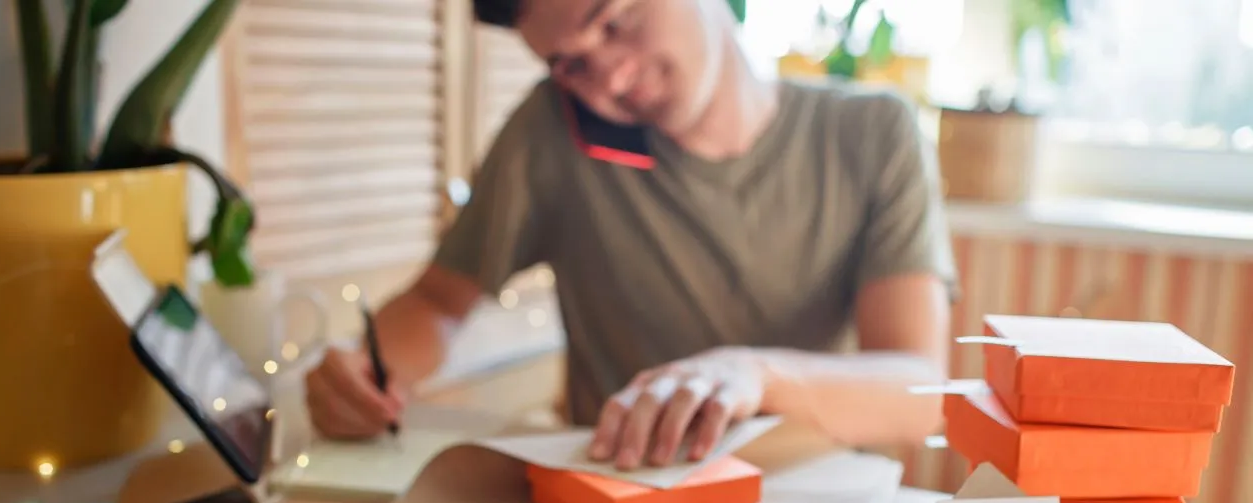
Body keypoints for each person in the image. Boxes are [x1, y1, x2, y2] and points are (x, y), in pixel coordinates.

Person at [305, 0, 958, 471]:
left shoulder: (874, 135)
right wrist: (361, 375)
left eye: (614, 22)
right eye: (571, 65)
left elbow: (916, 392)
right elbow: (439, 304)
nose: (609, 81)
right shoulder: (556, 130)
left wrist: (749, 373)